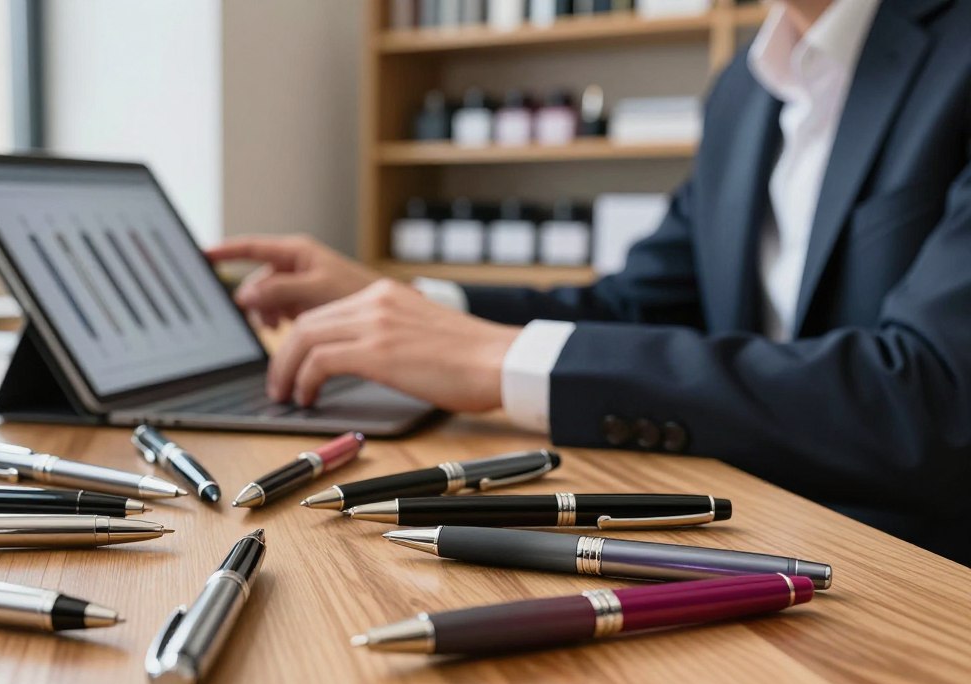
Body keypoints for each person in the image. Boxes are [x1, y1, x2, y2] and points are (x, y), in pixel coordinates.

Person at [208, 0, 971, 564]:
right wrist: (406, 306)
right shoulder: (744, 88)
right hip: (757, 527)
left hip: (917, 572)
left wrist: (497, 362)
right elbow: (633, 304)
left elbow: (932, 399)